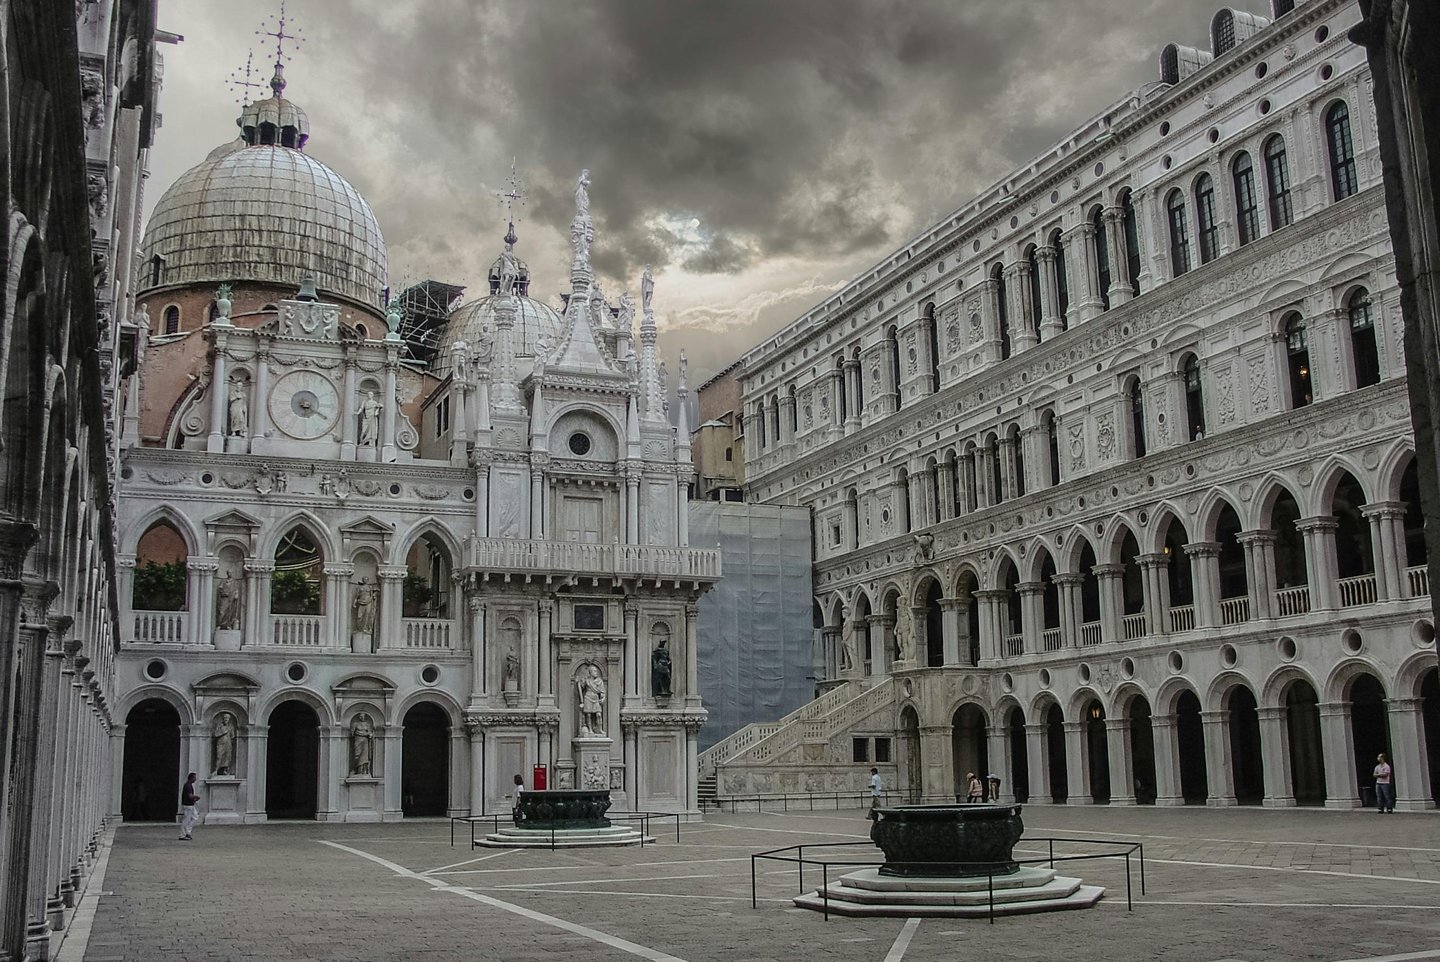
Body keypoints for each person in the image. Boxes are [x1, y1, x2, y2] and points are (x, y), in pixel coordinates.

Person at [178, 772, 199, 840]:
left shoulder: (188, 785)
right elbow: (190, 796)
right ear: (191, 778)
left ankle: (188, 831)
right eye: (194, 778)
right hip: (188, 805)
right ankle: (182, 834)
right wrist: (196, 797)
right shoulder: (188, 786)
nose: (195, 779)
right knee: (186, 820)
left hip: (190, 804)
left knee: (195, 816)